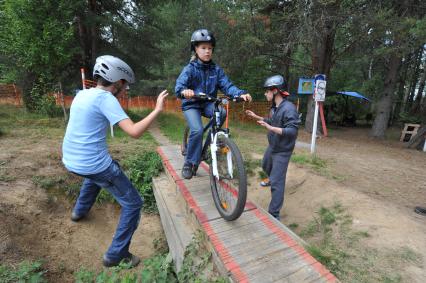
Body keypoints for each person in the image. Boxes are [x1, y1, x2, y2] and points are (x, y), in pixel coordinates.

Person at [62, 55, 168, 268]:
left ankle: (79, 212)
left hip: (71, 159)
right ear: (118, 81)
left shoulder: (83, 94)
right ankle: (116, 255)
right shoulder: (106, 99)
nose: (126, 89)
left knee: (97, 174)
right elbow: (134, 132)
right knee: (133, 203)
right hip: (92, 163)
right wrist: (157, 109)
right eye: (125, 84)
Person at [175, 29, 252, 179]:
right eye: (203, 48)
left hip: (208, 103)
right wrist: (185, 91)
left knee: (222, 112)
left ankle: (206, 147)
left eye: (210, 48)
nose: (207, 51)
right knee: (197, 130)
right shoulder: (189, 69)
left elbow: (228, 86)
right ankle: (189, 162)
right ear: (196, 49)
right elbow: (179, 87)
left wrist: (240, 93)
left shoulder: (216, 70)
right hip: (192, 104)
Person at [245, 75, 300, 220]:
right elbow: (272, 120)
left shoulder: (289, 109)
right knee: (265, 164)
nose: (265, 93)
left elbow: (292, 131)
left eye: (267, 91)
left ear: (275, 90)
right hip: (273, 146)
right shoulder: (275, 107)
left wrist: (271, 127)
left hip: (283, 150)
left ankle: (274, 214)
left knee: (277, 182)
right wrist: (257, 116)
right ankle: (272, 177)